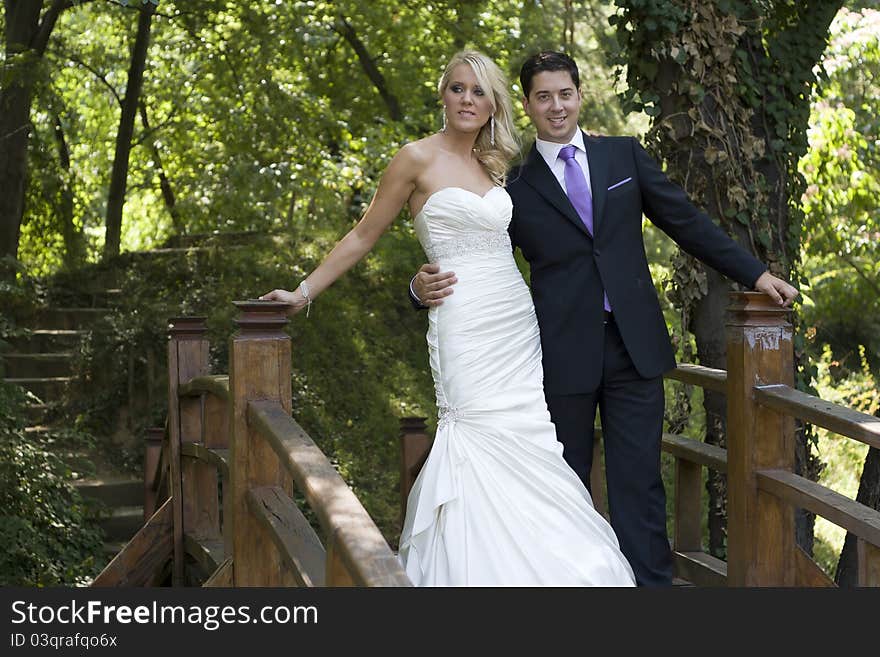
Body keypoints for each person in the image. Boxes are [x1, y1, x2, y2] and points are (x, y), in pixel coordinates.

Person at [410, 51, 799, 586]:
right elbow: (476, 258)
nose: (556, 106)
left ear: (579, 95)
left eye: (564, 94)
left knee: (639, 484)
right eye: (543, 96)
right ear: (526, 105)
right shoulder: (511, 186)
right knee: (561, 485)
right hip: (556, 354)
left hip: (634, 348)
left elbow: (687, 224)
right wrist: (418, 290)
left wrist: (755, 275)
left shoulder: (623, 157)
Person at [261, 50, 636, 586]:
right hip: (461, 319)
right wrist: (303, 293)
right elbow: (364, 234)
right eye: (458, 88)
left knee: (531, 439)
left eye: (479, 92)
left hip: (515, 322)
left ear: (494, 105)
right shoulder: (413, 159)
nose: (468, 99)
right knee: (474, 433)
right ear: (443, 94)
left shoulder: (499, 164)